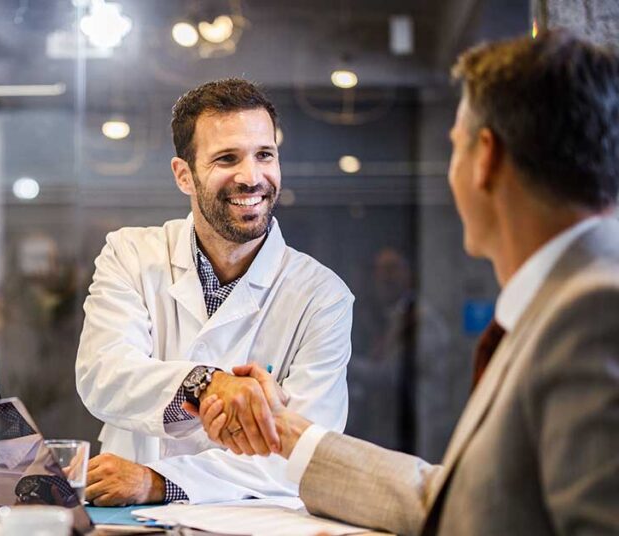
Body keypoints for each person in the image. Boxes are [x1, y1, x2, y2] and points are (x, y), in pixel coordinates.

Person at [196, 30, 619, 535]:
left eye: (455, 148)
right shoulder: (562, 305)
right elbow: (460, 501)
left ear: (486, 158)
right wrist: (290, 434)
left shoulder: (596, 312)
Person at [75, 78, 353, 505]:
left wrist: (156, 481)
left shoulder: (323, 296)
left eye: (265, 155)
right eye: (227, 158)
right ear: (184, 175)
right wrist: (206, 385)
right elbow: (102, 374)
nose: (252, 177)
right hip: (125, 518)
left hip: (251, 521)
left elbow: (307, 449)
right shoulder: (130, 253)